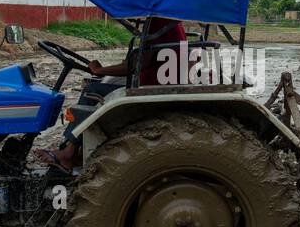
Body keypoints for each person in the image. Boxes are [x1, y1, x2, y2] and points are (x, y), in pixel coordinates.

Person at [34, 16, 186, 170]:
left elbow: (136, 65)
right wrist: (104, 70)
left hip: (151, 86)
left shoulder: (158, 23)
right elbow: (137, 61)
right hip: (156, 82)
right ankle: (79, 149)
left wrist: (100, 70)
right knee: (99, 85)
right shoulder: (169, 21)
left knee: (91, 90)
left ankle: (69, 153)